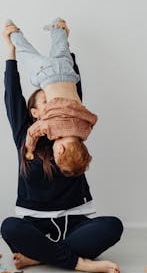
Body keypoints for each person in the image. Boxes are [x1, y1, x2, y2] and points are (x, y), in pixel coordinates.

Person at [0, 20, 123, 273]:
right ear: (33, 112)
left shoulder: (71, 130)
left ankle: (41, 257)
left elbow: (73, 93)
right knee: (10, 227)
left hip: (75, 220)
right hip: (34, 222)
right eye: (43, 101)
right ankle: (79, 263)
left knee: (113, 226)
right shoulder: (25, 134)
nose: (51, 103)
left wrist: (68, 53)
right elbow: (12, 95)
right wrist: (10, 54)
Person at [7, 18, 97, 176]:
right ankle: (13, 32)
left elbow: (93, 118)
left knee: (61, 50)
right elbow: (32, 133)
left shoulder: (85, 129)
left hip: (68, 72)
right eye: (56, 154)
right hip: (46, 74)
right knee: (26, 53)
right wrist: (29, 150)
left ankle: (58, 29)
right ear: (60, 149)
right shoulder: (51, 127)